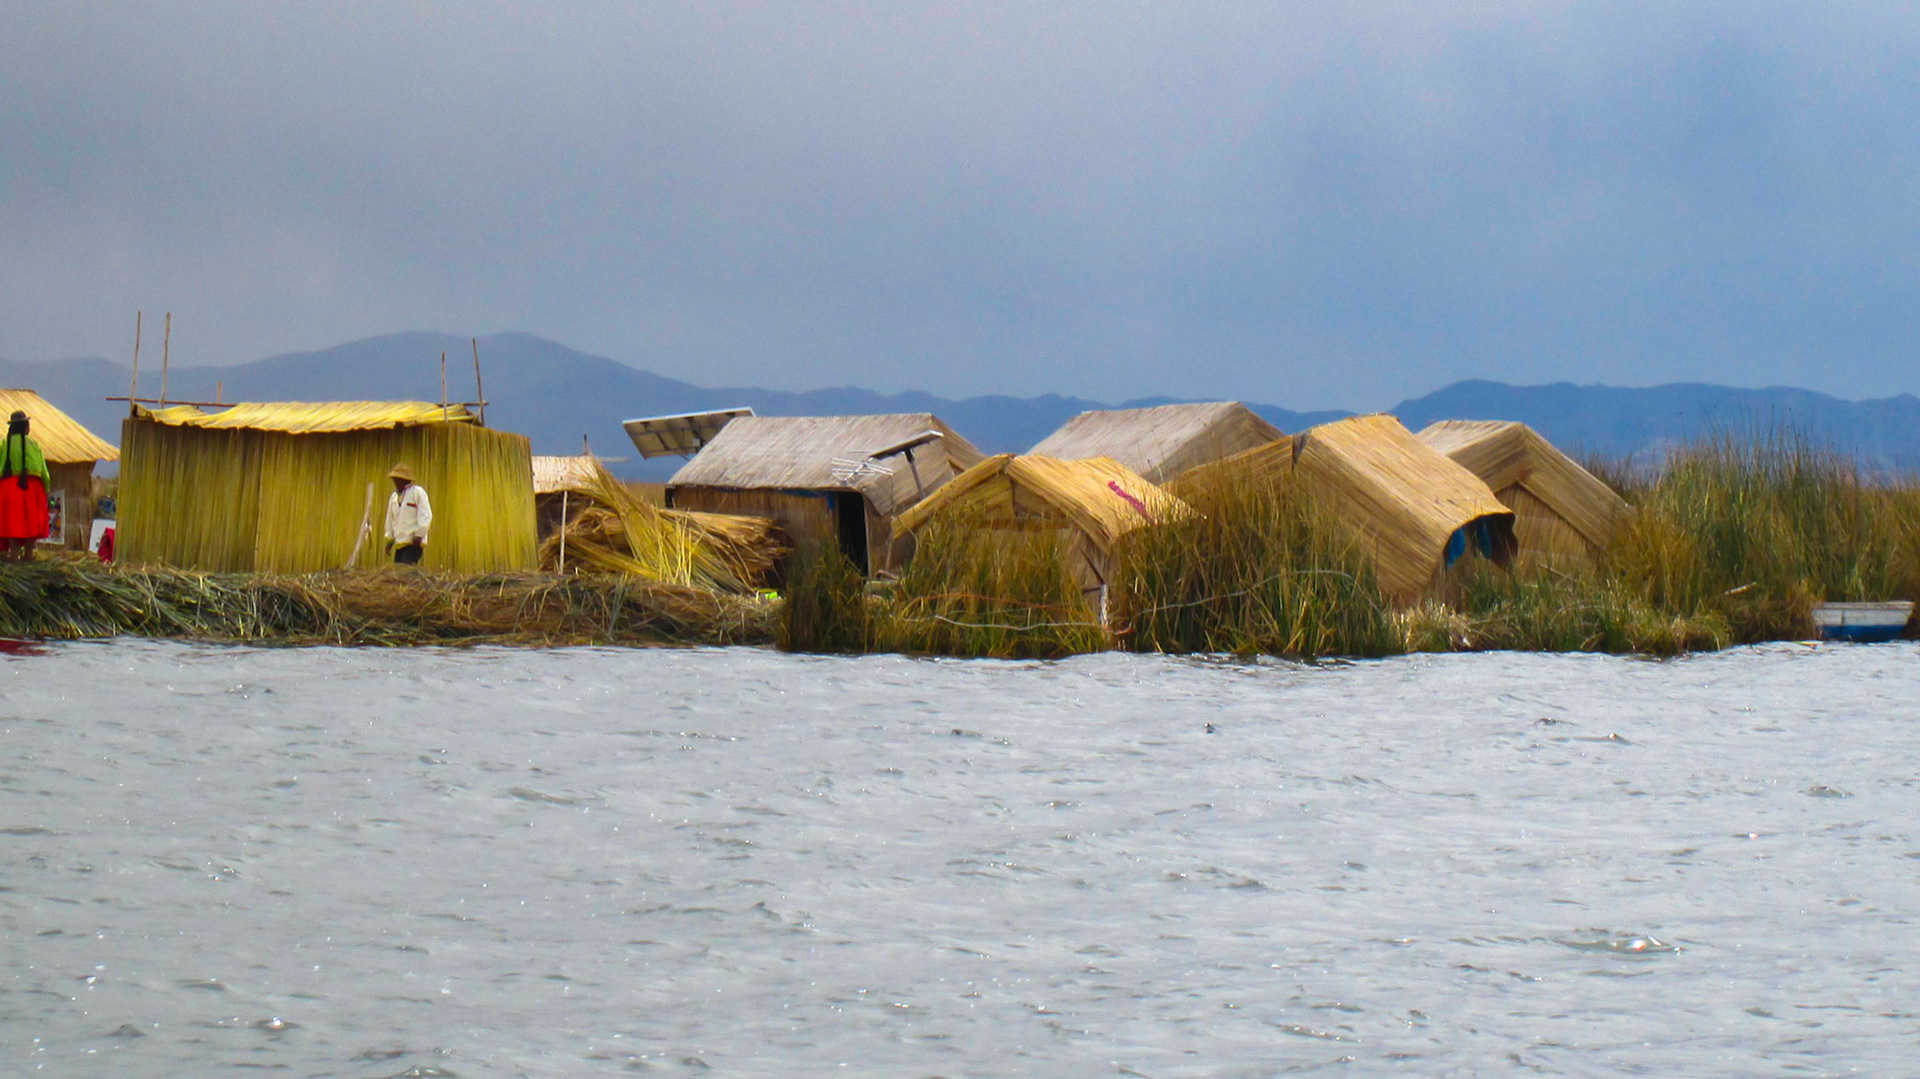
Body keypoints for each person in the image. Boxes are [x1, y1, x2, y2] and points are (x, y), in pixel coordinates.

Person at [0, 411, 52, 562]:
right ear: (26, 427)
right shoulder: (34, 445)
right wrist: (46, 488)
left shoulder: (4, 444)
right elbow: (43, 472)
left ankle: (13, 556)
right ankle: (28, 556)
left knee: (11, 523)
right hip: (32, 488)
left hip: (9, 488)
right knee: (31, 523)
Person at [382, 463, 432, 565]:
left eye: (397, 479)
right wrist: (390, 541)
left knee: (407, 570)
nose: (395, 482)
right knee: (398, 573)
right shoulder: (394, 497)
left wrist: (419, 535)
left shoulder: (417, 492)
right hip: (399, 543)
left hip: (413, 543)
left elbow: (425, 515)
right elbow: (390, 520)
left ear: (404, 479)